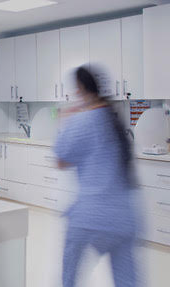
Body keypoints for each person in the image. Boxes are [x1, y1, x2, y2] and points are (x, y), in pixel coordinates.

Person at [54, 66, 140, 287]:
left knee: (69, 274)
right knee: (127, 280)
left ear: (80, 88)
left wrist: (64, 119)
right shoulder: (115, 120)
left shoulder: (81, 121)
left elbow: (61, 161)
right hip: (125, 215)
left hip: (91, 214)